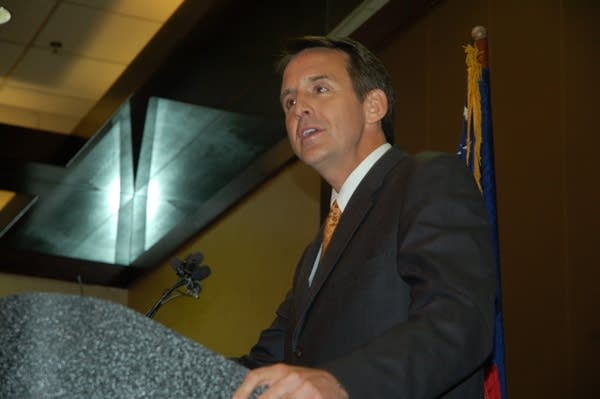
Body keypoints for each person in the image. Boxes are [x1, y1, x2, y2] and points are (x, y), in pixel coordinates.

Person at [232, 36, 496, 399]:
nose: (299, 109)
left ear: (374, 105)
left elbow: (459, 322)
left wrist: (343, 383)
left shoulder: (426, 179)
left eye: (320, 88)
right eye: (289, 101)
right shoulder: (315, 252)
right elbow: (263, 367)